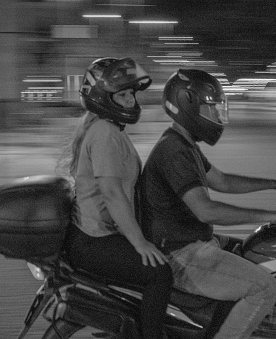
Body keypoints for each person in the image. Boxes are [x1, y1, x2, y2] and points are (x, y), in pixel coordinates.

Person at [139, 69, 276, 339]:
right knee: (264, 287)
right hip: (181, 256)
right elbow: (206, 211)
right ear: (188, 105)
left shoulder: (184, 144)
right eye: (211, 108)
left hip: (191, 243)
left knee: (256, 251)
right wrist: (273, 215)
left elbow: (222, 181)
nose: (216, 116)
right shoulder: (174, 151)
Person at [58, 57, 173, 339]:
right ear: (102, 98)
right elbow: (111, 193)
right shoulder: (105, 133)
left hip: (97, 234)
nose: (131, 100)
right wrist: (139, 242)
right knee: (160, 273)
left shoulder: (106, 128)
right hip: (93, 240)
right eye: (122, 94)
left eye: (131, 93)